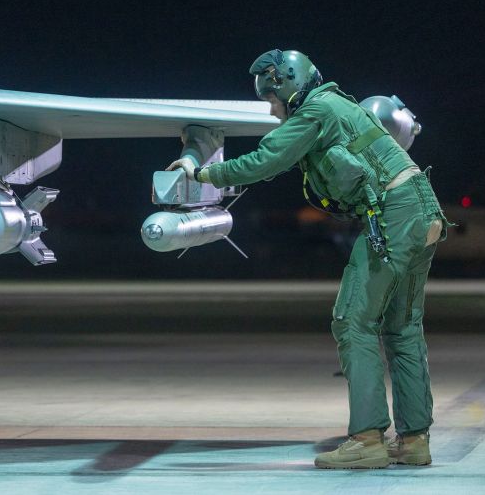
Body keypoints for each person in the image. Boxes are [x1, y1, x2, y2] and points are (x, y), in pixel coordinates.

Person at [167, 49, 448, 469]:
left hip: (395, 213)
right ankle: (413, 441)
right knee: (402, 326)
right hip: (422, 208)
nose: (272, 110)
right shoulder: (338, 105)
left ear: (286, 86)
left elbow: (266, 160)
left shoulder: (316, 111)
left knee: (353, 320)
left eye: (272, 101)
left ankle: (368, 439)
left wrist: (203, 174)